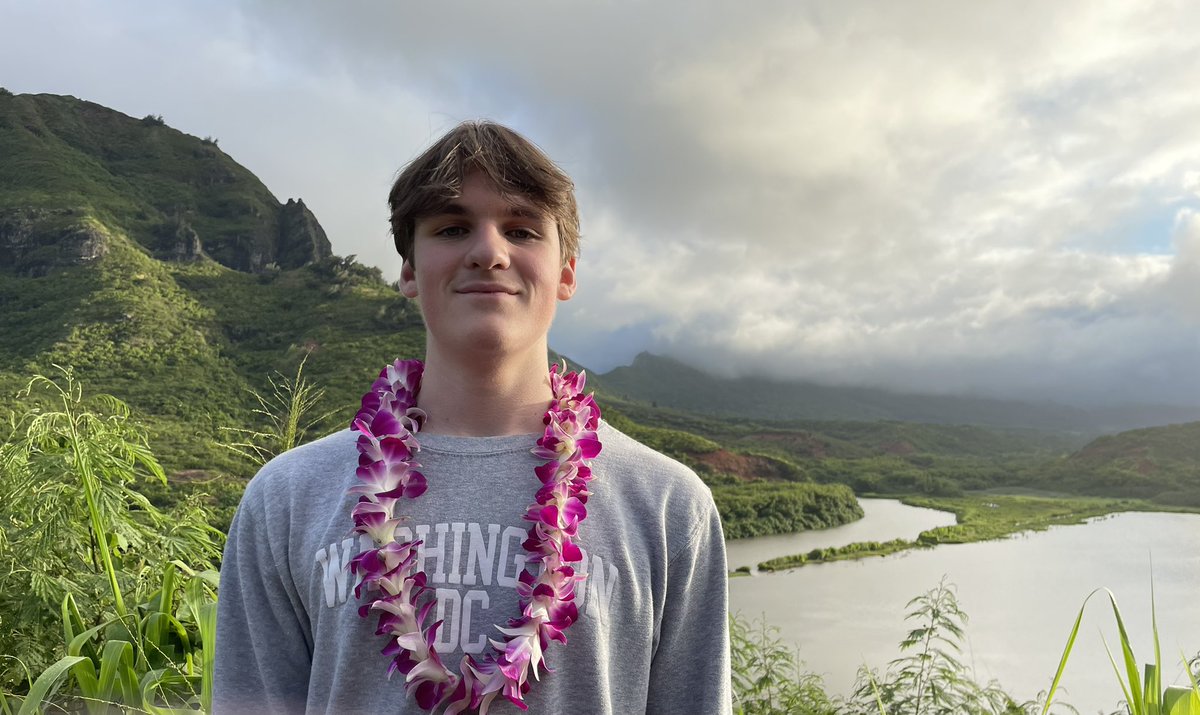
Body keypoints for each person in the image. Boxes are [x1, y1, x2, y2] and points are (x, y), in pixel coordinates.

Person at [214, 121, 732, 714]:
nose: (489, 252)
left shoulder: (668, 506)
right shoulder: (287, 498)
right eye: (453, 228)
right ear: (409, 270)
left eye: (522, 229)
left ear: (565, 273)